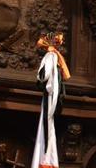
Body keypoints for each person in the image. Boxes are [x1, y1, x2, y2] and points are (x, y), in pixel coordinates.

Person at [31, 32, 70, 168]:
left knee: (49, 124)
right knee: (47, 125)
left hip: (53, 95)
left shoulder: (54, 57)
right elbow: (44, 76)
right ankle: (46, 159)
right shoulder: (51, 57)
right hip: (50, 95)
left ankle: (47, 158)